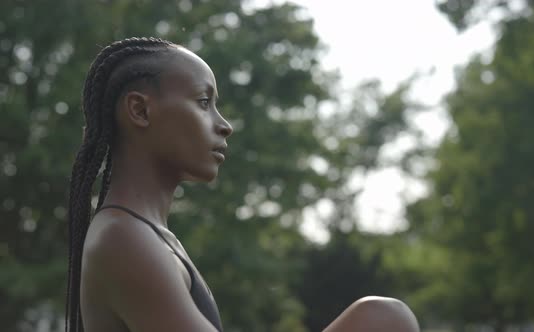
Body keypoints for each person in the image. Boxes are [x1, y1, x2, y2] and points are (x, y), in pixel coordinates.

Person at [66, 37, 420, 332]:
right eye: (204, 102)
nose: (224, 125)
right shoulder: (122, 237)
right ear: (140, 111)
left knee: (383, 316)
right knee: (384, 318)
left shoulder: (146, 234)